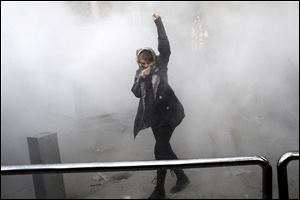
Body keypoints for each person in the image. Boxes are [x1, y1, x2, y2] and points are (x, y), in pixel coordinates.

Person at [131, 13, 190, 199]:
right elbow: (136, 92)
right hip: (154, 118)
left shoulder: (161, 65)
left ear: (154, 60)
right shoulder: (139, 73)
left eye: (149, 60)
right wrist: (142, 77)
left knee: (160, 148)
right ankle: (182, 177)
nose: (146, 64)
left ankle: (159, 190)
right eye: (142, 62)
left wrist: (158, 22)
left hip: (170, 115)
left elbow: (165, 47)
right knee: (165, 148)